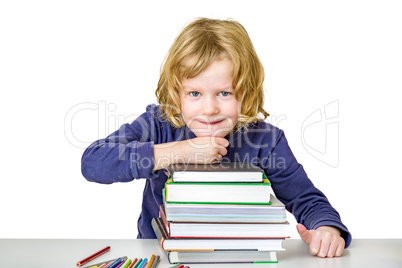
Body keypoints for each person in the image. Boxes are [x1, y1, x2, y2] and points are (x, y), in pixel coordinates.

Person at [81, 17, 351, 258]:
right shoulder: (159, 124)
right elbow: (93, 162)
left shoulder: (266, 141)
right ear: (177, 94)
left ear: (246, 93)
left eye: (224, 93)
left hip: (240, 256)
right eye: (194, 94)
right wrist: (179, 151)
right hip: (161, 256)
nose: (209, 109)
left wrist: (326, 229)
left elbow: (306, 199)